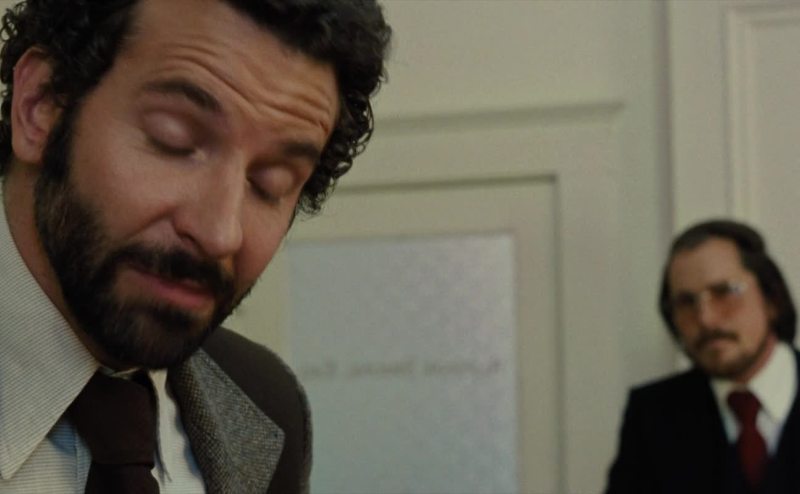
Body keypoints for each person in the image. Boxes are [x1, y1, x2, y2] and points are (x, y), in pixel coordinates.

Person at [0, 0, 390, 492]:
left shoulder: (267, 403)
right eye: (174, 142)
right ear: (40, 105)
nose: (220, 233)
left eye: (270, 183)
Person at [605, 220, 800, 494]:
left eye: (725, 292)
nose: (706, 319)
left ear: (771, 299)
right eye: (686, 302)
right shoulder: (653, 416)